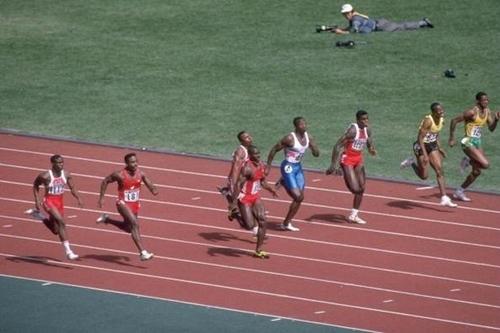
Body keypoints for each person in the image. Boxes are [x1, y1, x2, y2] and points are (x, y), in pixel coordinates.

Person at [97, 153, 159, 261]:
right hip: (122, 203)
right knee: (135, 224)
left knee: (128, 228)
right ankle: (143, 253)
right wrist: (101, 198)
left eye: (136, 161)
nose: (135, 164)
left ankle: (107, 219)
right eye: (132, 162)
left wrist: (153, 190)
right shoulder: (119, 175)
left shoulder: (141, 174)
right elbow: (105, 181)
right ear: (126, 163)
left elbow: (151, 186)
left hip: (134, 205)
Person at [266, 116, 320, 231]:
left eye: (305, 124)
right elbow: (274, 149)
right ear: (296, 126)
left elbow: (316, 153)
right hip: (288, 167)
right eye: (301, 124)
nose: (304, 126)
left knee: (299, 198)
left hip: (298, 168)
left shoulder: (308, 137)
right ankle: (286, 223)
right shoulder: (290, 138)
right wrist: (268, 166)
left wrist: (314, 149)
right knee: (299, 197)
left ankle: (286, 223)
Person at [25, 154, 83, 260]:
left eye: (62, 162)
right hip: (48, 201)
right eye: (58, 162)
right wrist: (37, 200)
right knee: (61, 222)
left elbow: (72, 188)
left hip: (59, 202)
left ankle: (39, 216)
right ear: (53, 163)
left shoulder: (66, 174)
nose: (61, 164)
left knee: (56, 230)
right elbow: (35, 185)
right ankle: (69, 252)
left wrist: (78, 198)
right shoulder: (45, 176)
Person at [400, 103, 457, 207]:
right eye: (439, 111)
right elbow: (420, 139)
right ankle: (411, 162)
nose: (441, 112)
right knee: (424, 176)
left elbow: (436, 133)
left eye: (442, 110)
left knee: (439, 170)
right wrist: (425, 155)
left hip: (432, 145)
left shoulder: (441, 119)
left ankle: (444, 197)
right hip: (421, 146)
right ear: (433, 112)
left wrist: (440, 148)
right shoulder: (428, 121)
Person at [326, 110, 376, 224]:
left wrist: (371, 148)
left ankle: (354, 215)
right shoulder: (353, 131)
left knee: (361, 188)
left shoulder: (367, 129)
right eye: (363, 119)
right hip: (347, 159)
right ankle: (344, 173)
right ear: (357, 120)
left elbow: (368, 139)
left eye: (367, 118)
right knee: (355, 189)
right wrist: (333, 165)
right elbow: (337, 146)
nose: (366, 121)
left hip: (358, 159)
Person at [448, 92, 500, 201]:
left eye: (487, 100)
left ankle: (459, 191)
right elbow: (454, 120)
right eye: (483, 100)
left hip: (477, 142)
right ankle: (467, 160)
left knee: (477, 172)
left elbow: (491, 128)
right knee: (485, 164)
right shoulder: (471, 112)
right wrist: (451, 138)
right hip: (467, 141)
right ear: (478, 101)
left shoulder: (487, 111)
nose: (486, 102)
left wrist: (496, 120)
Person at [233, 145, 278, 258]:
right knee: (250, 226)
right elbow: (238, 184)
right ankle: (237, 215)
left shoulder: (261, 165)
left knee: (263, 220)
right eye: (255, 154)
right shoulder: (247, 168)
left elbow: (262, 181)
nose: (258, 156)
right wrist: (233, 202)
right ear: (250, 155)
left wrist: (271, 189)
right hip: (245, 198)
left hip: (255, 197)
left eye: (258, 153)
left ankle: (258, 250)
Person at [217, 131, 253, 229]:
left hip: (242, 182)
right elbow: (236, 168)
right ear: (241, 141)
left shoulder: (247, 149)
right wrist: (235, 184)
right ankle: (231, 204)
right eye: (246, 137)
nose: (250, 138)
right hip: (237, 182)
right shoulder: (241, 151)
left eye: (249, 136)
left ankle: (232, 204)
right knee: (246, 217)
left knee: (248, 210)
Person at [334, 3, 433, 34]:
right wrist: (342, 29)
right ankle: (422, 23)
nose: (345, 15)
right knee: (401, 25)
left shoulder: (355, 19)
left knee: (402, 26)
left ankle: (423, 23)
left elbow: (354, 31)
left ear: (351, 12)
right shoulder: (355, 17)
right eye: (344, 14)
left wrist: (341, 32)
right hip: (380, 23)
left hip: (381, 26)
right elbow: (352, 28)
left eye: (347, 13)